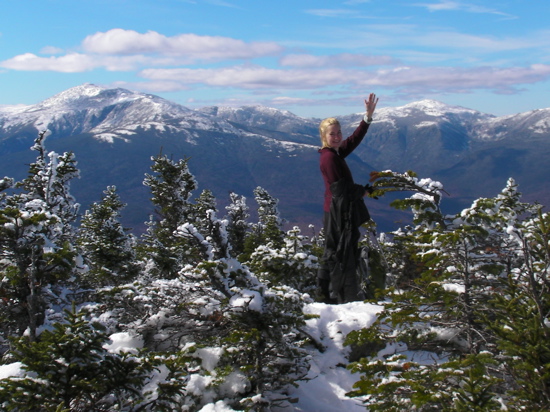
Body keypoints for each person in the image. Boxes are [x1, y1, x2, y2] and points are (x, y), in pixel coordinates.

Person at [317, 93, 379, 304]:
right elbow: (341, 190)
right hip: (337, 214)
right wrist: (364, 191)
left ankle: (331, 294)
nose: (337, 136)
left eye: (339, 133)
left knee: (336, 252)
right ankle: (334, 296)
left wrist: (367, 118)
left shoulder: (333, 153)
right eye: (332, 133)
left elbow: (352, 141)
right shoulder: (329, 159)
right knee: (338, 253)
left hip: (336, 212)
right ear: (324, 136)